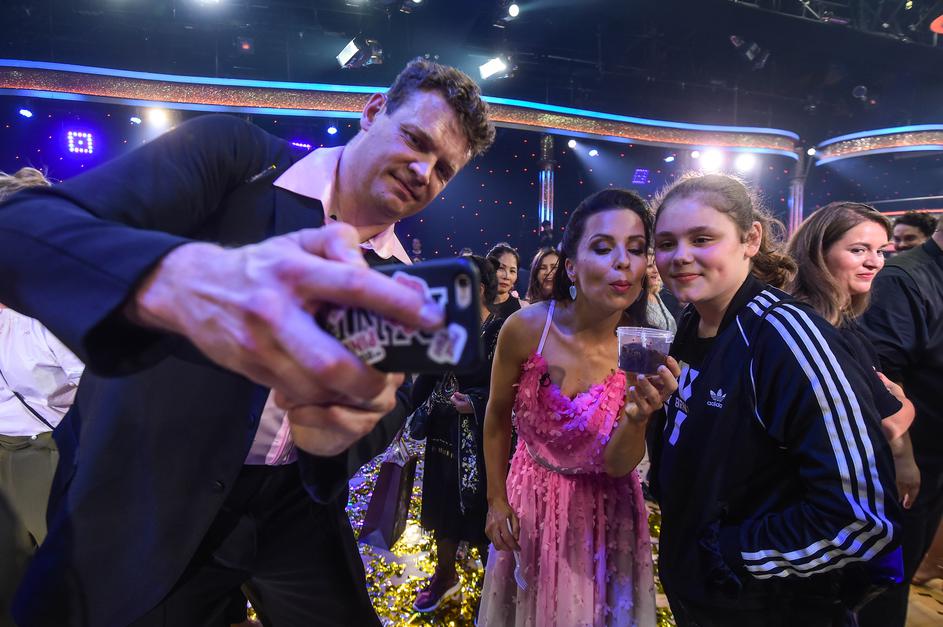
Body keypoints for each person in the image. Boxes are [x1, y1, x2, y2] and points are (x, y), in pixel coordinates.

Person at [0, 58, 494, 627]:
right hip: (150, 487)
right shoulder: (240, 158)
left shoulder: (401, 280)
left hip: (295, 504)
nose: (423, 170)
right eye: (415, 139)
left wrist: (340, 435)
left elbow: (394, 405)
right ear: (373, 110)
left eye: (444, 169)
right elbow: (19, 229)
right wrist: (176, 282)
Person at [649, 173, 900, 626]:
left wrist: (730, 554)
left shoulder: (787, 336)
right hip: (704, 597)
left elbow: (862, 518)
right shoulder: (691, 324)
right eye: (666, 243)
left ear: (750, 239)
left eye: (702, 239)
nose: (680, 256)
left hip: (771, 607)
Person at [479, 189, 679, 626]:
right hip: (531, 503)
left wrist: (639, 417)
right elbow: (495, 417)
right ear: (570, 266)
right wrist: (495, 499)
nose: (623, 262)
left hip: (605, 516)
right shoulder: (526, 327)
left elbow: (619, 464)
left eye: (636, 249)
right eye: (603, 248)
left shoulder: (642, 348)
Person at [858, 216, 943, 627]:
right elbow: (883, 378)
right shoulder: (904, 278)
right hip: (906, 465)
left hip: (933, 461)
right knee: (883, 589)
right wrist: (903, 457)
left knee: (902, 576)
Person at [411, 255, 504, 613]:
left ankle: (491, 587)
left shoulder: (500, 330)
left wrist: (476, 402)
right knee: (441, 505)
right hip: (441, 431)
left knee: (480, 506)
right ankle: (445, 574)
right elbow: (424, 378)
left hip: (481, 437)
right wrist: (403, 415)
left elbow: (508, 385)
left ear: (478, 288)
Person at [487, 242, 523, 318]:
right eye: (501, 268)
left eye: (512, 271)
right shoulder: (473, 305)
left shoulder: (523, 309)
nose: (507, 276)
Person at [645, 253, 678, 333]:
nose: (656, 270)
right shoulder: (635, 299)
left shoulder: (656, 294)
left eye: (657, 265)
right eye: (649, 266)